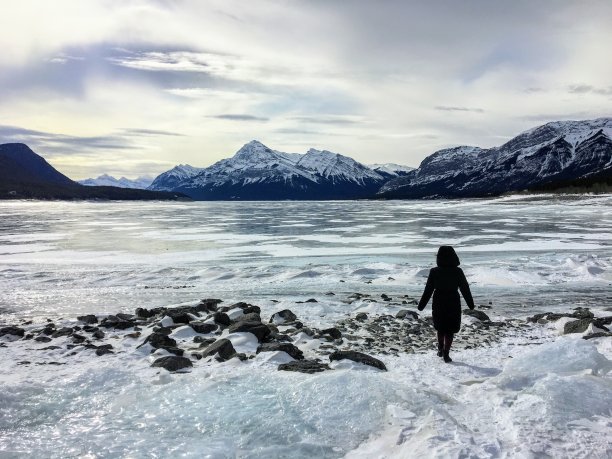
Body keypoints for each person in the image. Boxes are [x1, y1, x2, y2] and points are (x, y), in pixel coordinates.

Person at [417, 246, 475, 363]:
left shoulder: (434, 271)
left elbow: (428, 289)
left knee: (441, 327)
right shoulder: (458, 271)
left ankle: (440, 348)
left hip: (439, 301)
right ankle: (446, 353)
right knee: (450, 329)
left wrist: (421, 305)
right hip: (453, 301)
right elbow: (465, 288)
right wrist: (471, 304)